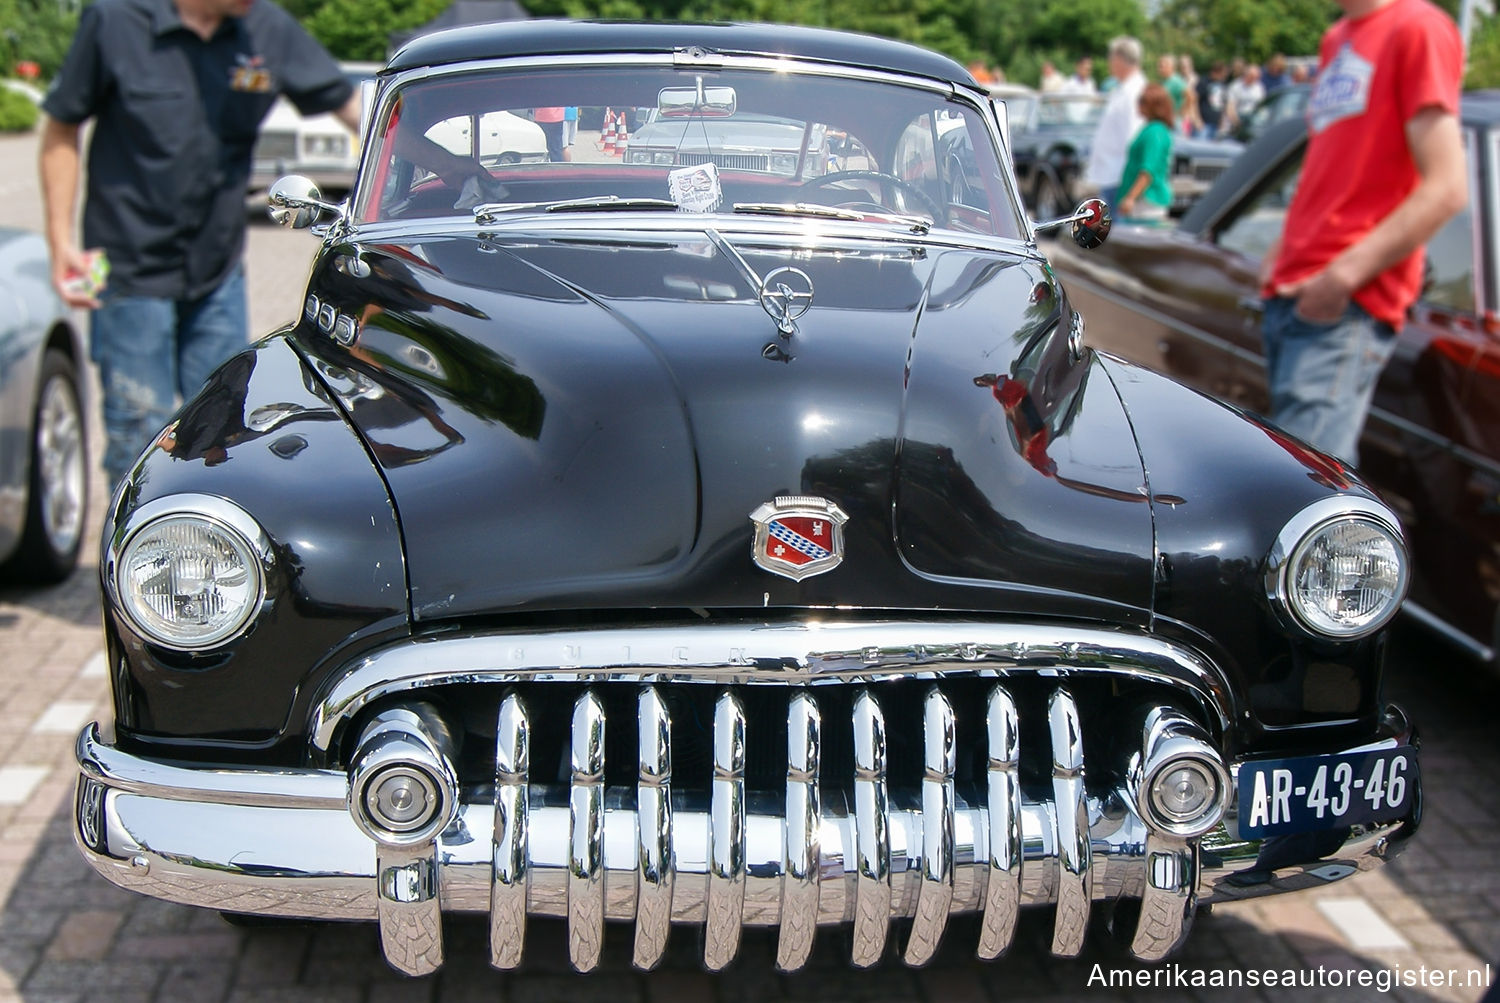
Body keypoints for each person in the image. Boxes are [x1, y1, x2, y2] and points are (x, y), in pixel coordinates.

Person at [39, 0, 361, 489]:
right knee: (139, 432)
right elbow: (61, 129)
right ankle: (127, 558)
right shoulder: (115, 20)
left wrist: (452, 170)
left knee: (220, 431)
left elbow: (359, 112)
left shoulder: (265, 28)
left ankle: (206, 556)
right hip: (123, 265)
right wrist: (61, 244)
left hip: (218, 271)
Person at [1259, 0, 1466, 464]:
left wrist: (1341, 278)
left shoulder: (1418, 28)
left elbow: (1448, 186)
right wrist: (1282, 248)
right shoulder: (1338, 38)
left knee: (1306, 493)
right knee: (1291, 478)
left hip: (1345, 305)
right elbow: (1333, 162)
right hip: (1297, 293)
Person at [1084, 36, 1146, 207]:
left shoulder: (1133, 92)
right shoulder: (1123, 89)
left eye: (1111, 58)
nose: (1109, 62)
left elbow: (1133, 137)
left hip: (1120, 178)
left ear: (1120, 59)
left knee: (1115, 232)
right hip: (1112, 176)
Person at [1117, 83, 1175, 221]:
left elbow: (1148, 170)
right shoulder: (1151, 129)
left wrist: (1130, 198)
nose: (1138, 106)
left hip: (1146, 201)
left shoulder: (1155, 132)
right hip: (1141, 199)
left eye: (1143, 102)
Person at [1226, 64, 1265, 131]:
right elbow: (1230, 106)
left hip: (1254, 118)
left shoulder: (1259, 87)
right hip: (1238, 117)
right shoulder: (1235, 86)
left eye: (1256, 77)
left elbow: (1262, 105)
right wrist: (1236, 123)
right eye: (1251, 76)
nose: (1253, 79)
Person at [1196, 61, 1230, 138]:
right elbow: (1194, 102)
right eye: (1223, 73)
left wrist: (1222, 120)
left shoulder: (1223, 84)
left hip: (1216, 123)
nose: (1224, 76)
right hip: (1203, 123)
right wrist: (1197, 119)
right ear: (1216, 72)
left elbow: (1223, 104)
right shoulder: (1203, 82)